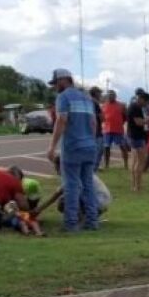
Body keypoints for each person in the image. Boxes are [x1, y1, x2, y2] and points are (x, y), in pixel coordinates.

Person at [47, 68, 99, 232]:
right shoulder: (86, 98)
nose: (55, 86)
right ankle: (92, 221)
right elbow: (93, 123)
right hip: (90, 146)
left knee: (71, 185)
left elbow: (61, 120)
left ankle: (70, 223)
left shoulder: (63, 97)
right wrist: (90, 140)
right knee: (88, 185)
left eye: (56, 82)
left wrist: (52, 146)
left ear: (64, 80)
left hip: (73, 147)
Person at [34, 155, 112, 220]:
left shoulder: (73, 176)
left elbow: (55, 196)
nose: (57, 172)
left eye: (57, 168)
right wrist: (38, 210)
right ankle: (88, 216)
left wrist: (38, 210)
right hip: (102, 201)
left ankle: (82, 220)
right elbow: (56, 195)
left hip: (99, 201)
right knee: (65, 200)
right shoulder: (77, 172)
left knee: (65, 201)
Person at [127, 91, 149, 192]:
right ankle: (137, 186)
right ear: (141, 99)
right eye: (146, 102)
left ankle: (134, 185)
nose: (146, 104)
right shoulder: (136, 108)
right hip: (137, 137)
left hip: (133, 136)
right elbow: (139, 122)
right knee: (140, 162)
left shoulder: (132, 106)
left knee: (135, 161)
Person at [101, 90, 129, 170]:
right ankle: (106, 165)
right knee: (106, 148)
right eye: (109, 95)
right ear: (107, 96)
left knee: (122, 146)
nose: (111, 96)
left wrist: (121, 122)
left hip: (118, 130)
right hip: (107, 130)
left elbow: (126, 116)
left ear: (115, 96)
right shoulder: (104, 105)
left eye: (112, 95)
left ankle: (126, 164)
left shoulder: (121, 105)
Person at [89, 86, 104, 171]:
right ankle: (93, 170)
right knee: (98, 151)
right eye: (99, 93)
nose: (101, 95)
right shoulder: (94, 103)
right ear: (96, 93)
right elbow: (102, 118)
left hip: (90, 131)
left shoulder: (88, 101)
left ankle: (92, 170)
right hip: (96, 132)